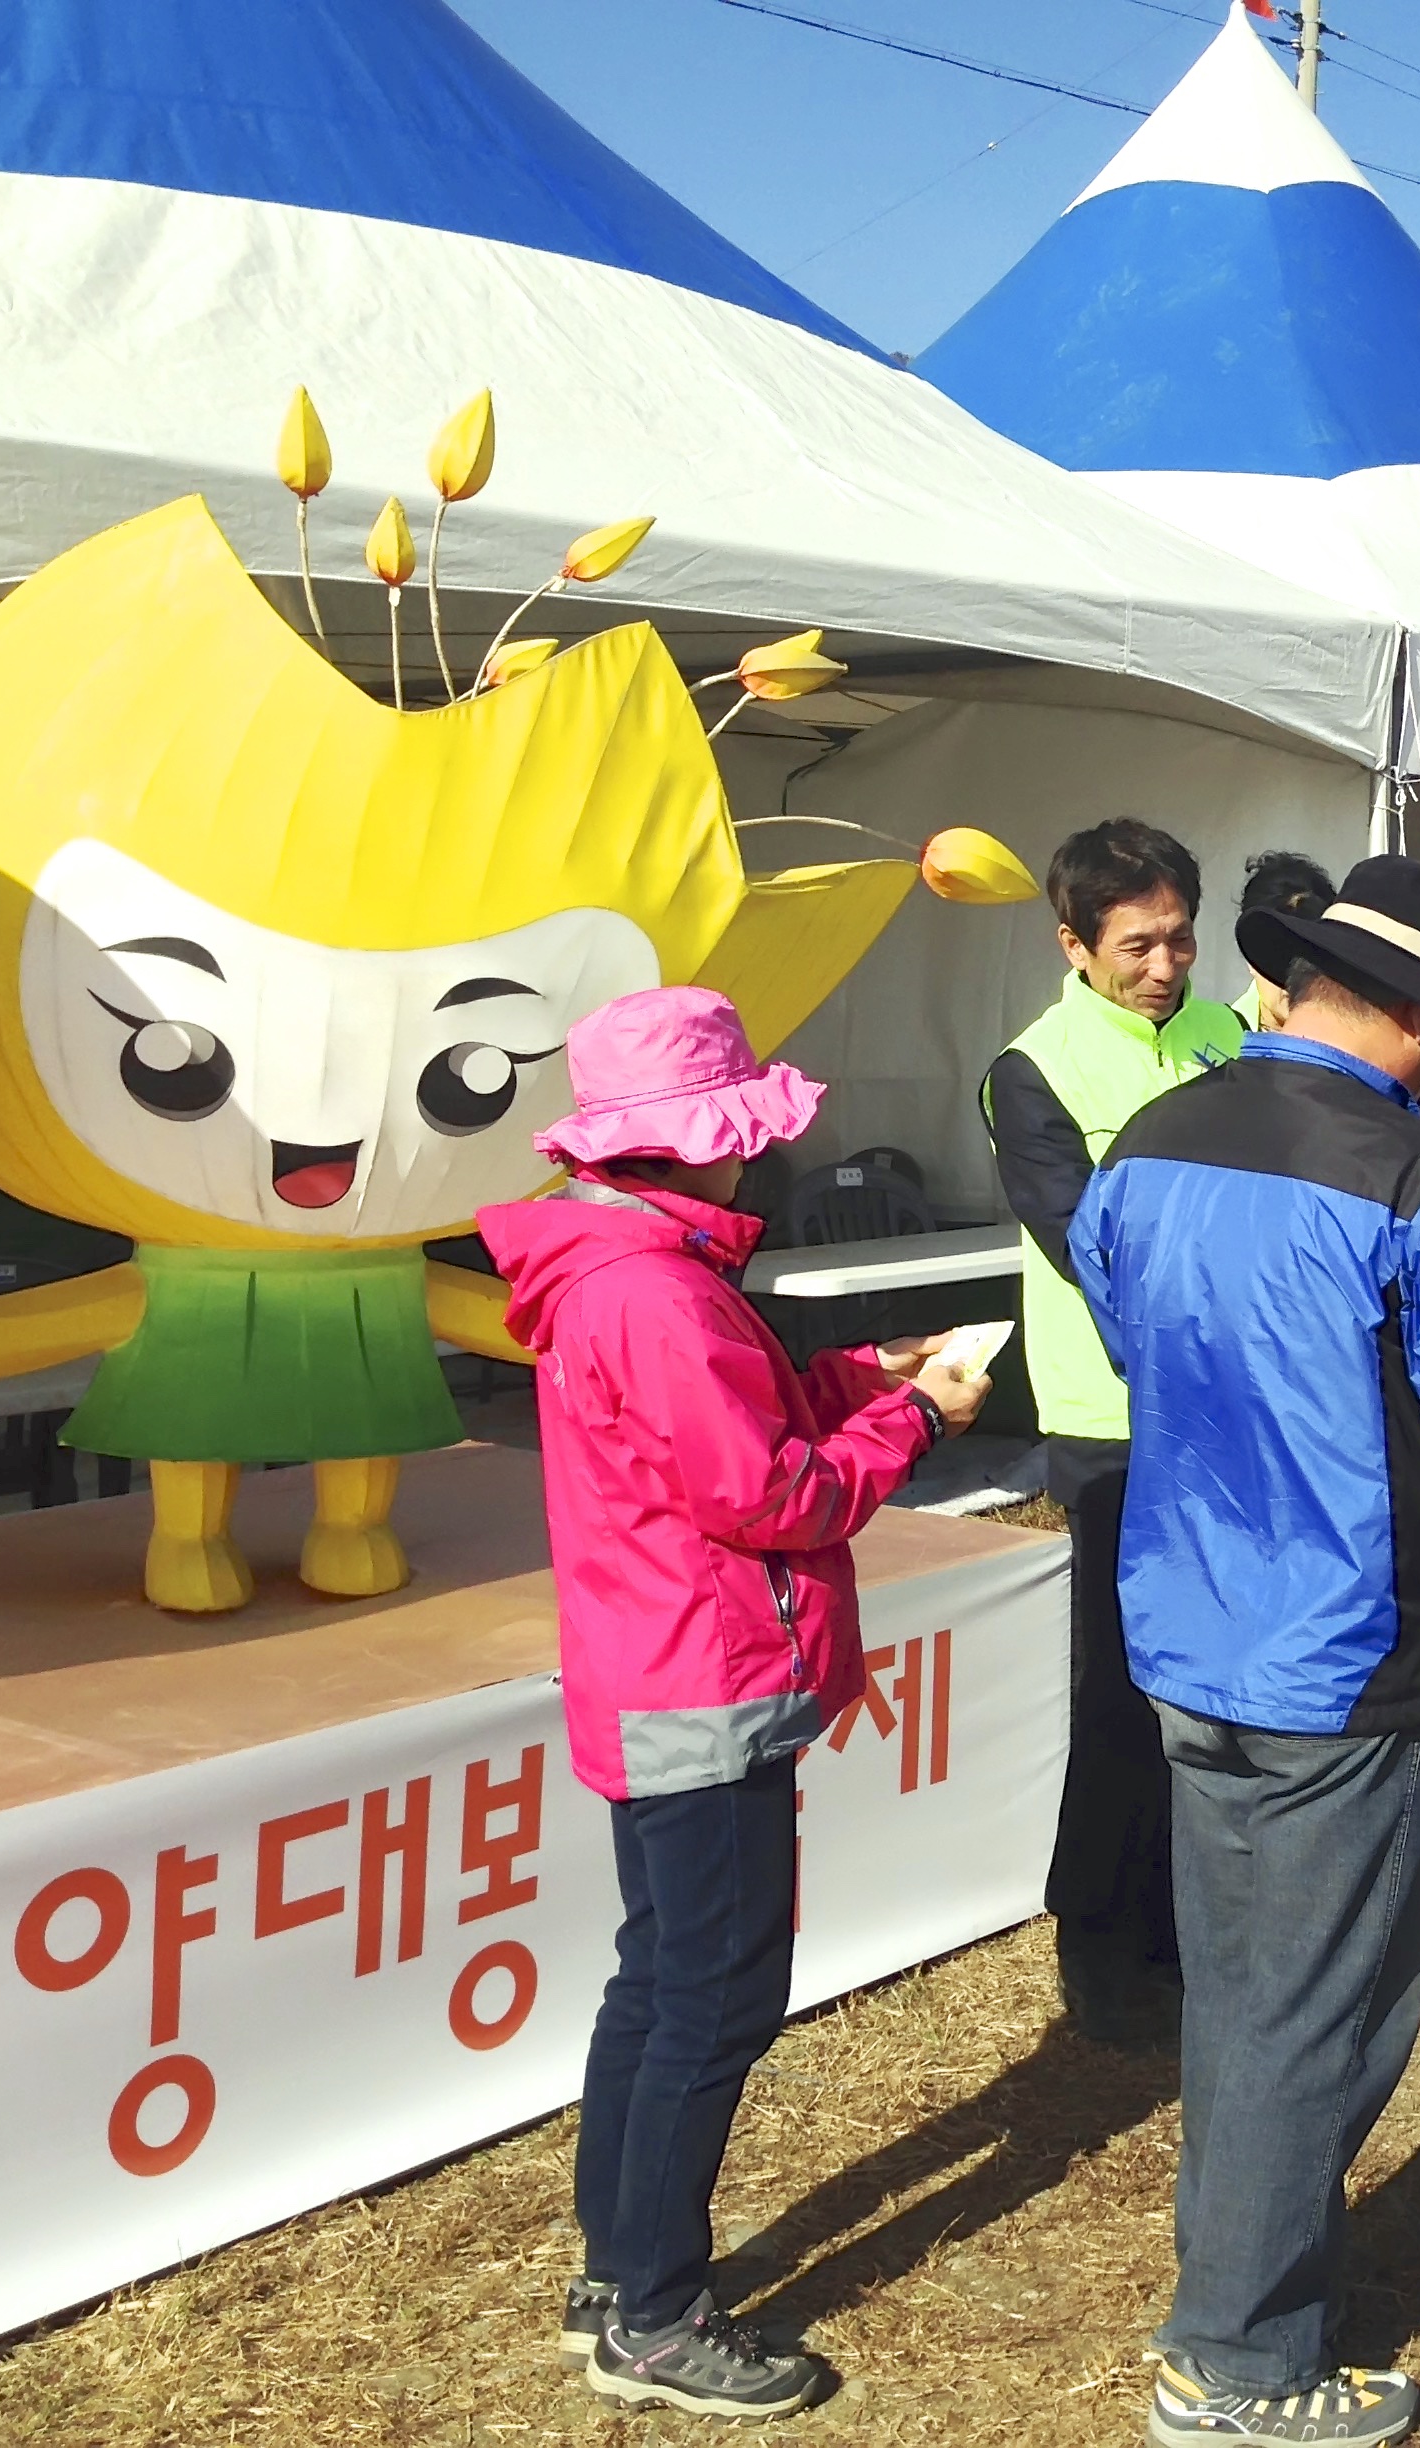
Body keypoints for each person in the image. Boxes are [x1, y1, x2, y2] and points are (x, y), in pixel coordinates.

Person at [1071, 855, 1420, 2448]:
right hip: (1341, 1652)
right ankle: (1240, 2358)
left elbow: (1126, 1324)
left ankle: (1228, 2291)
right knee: (1324, 2007)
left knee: (1240, 1988)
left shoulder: (1149, 1141)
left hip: (1185, 1617)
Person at [481, 986, 990, 2419]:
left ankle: (619, 2269)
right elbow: (771, 1491)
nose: (753, 1158)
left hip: (655, 1670)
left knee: (660, 1982)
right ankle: (654, 2307)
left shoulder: (621, 1267)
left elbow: (723, 1426)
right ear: (698, 1144)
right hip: (705, 1678)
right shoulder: (657, 1289)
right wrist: (914, 1417)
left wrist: (851, 1374)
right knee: (714, 1996)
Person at [980, 820, 1246, 2045]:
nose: (1164, 964)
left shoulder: (1227, 1038)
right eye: (1137, 943)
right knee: (1119, 1693)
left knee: (1209, 1682)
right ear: (1073, 944)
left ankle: (1189, 1923)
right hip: (1112, 1423)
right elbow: (1085, 1244)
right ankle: (1097, 1942)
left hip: (1228, 1408)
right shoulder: (1031, 1070)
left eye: (1181, 937)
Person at [1236, 848, 1336, 1029]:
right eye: (1279, 954)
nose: (1294, 976)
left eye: (1309, 955)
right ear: (1250, 956)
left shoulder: (1359, 1044)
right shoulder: (1214, 1043)